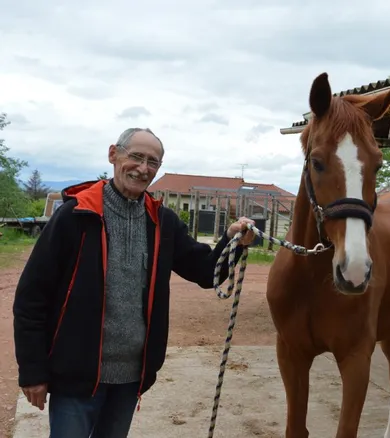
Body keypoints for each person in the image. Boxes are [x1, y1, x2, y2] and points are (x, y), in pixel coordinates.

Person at [12, 127, 256, 437]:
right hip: (75, 376)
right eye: (136, 157)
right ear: (114, 155)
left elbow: (206, 271)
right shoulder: (75, 216)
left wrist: (234, 240)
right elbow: (31, 298)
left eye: (152, 162)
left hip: (130, 379)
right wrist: (32, 371)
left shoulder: (162, 221)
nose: (143, 168)